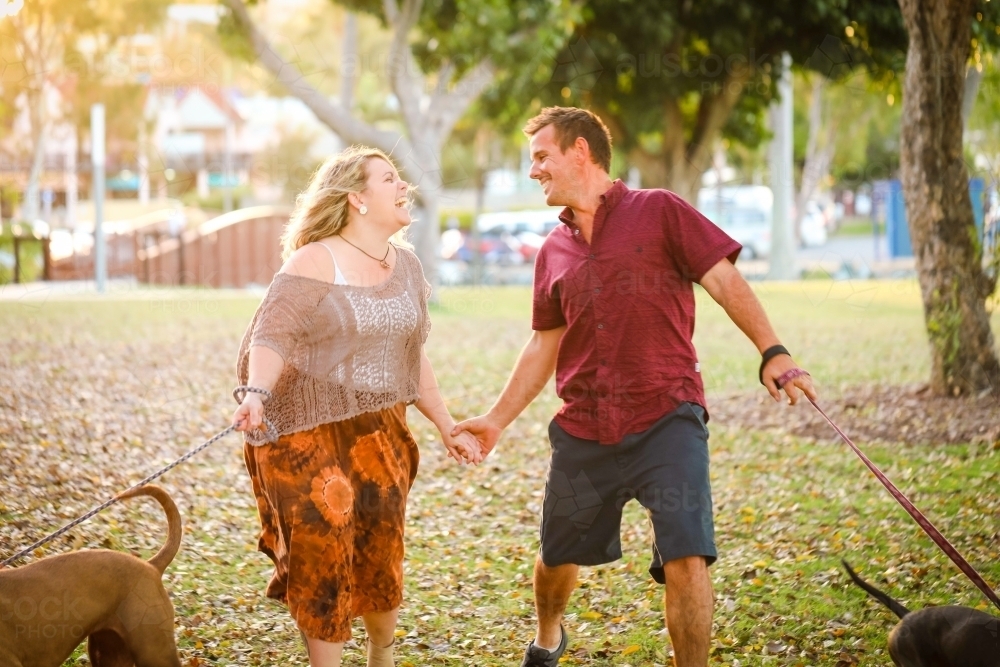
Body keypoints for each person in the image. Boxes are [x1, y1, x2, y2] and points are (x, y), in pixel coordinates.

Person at [453, 107, 817, 667]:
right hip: (584, 428)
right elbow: (543, 345)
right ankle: (548, 635)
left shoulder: (661, 211)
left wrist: (773, 352)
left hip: (667, 416)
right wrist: (496, 420)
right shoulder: (553, 251)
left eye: (541, 158)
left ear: (580, 151)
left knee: (687, 555)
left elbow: (724, 279)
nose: (534, 172)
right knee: (556, 557)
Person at [232, 145, 482, 667]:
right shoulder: (315, 260)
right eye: (389, 178)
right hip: (302, 427)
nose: (403, 187)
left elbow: (411, 359)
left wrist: (446, 424)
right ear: (357, 199)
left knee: (380, 541)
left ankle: (380, 656)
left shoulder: (406, 267)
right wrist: (256, 393)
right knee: (324, 540)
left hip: (377, 427)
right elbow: (272, 334)